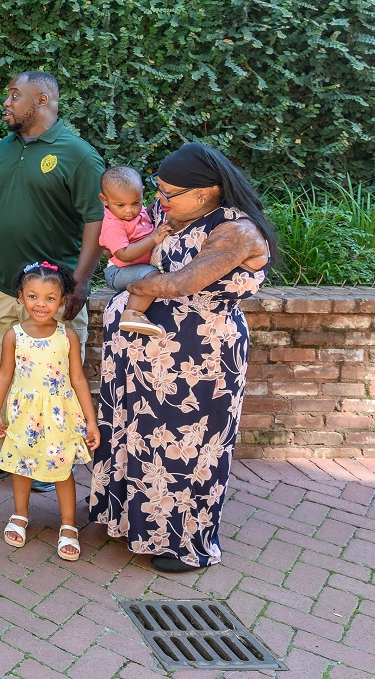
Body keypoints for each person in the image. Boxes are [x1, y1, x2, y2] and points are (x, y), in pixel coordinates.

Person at [88, 142, 277, 572]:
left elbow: (181, 284)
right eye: (158, 191)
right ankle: (126, 520)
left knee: (184, 447)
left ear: (207, 191)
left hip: (197, 360)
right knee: (133, 433)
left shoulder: (236, 232)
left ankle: (182, 544)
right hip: (142, 355)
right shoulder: (176, 213)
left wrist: (129, 284)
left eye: (169, 193)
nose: (160, 201)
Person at [0, 72, 105, 491]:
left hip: (53, 292)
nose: (6, 103)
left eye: (14, 95)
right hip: (5, 288)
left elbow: (95, 220)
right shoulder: (4, 148)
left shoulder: (78, 155)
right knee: (0, 367)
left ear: (42, 99)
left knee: (55, 376)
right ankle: (7, 445)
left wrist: (80, 282)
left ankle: (50, 456)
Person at [0, 262, 100, 560]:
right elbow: (3, 375)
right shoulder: (14, 335)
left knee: (63, 470)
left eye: (50, 298)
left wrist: (91, 421)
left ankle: (67, 525)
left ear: (62, 301)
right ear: (21, 297)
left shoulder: (67, 337)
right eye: (33, 296)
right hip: (24, 414)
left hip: (60, 414)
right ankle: (20, 514)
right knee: (22, 465)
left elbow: (78, 379)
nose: (41, 304)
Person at [97, 165, 172, 335]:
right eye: (120, 205)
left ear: (142, 193)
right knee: (152, 277)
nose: (129, 210)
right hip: (118, 272)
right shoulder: (113, 224)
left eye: (135, 203)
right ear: (104, 200)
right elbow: (123, 254)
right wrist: (153, 238)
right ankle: (132, 314)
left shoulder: (139, 212)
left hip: (132, 269)